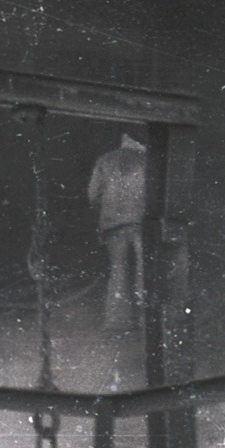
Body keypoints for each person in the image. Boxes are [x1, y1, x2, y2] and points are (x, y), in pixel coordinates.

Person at [87, 133, 147, 329]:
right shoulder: (148, 160)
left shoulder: (105, 160)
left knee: (118, 270)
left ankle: (117, 321)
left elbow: (93, 195)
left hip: (113, 225)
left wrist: (107, 212)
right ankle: (146, 319)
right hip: (141, 223)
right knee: (143, 269)